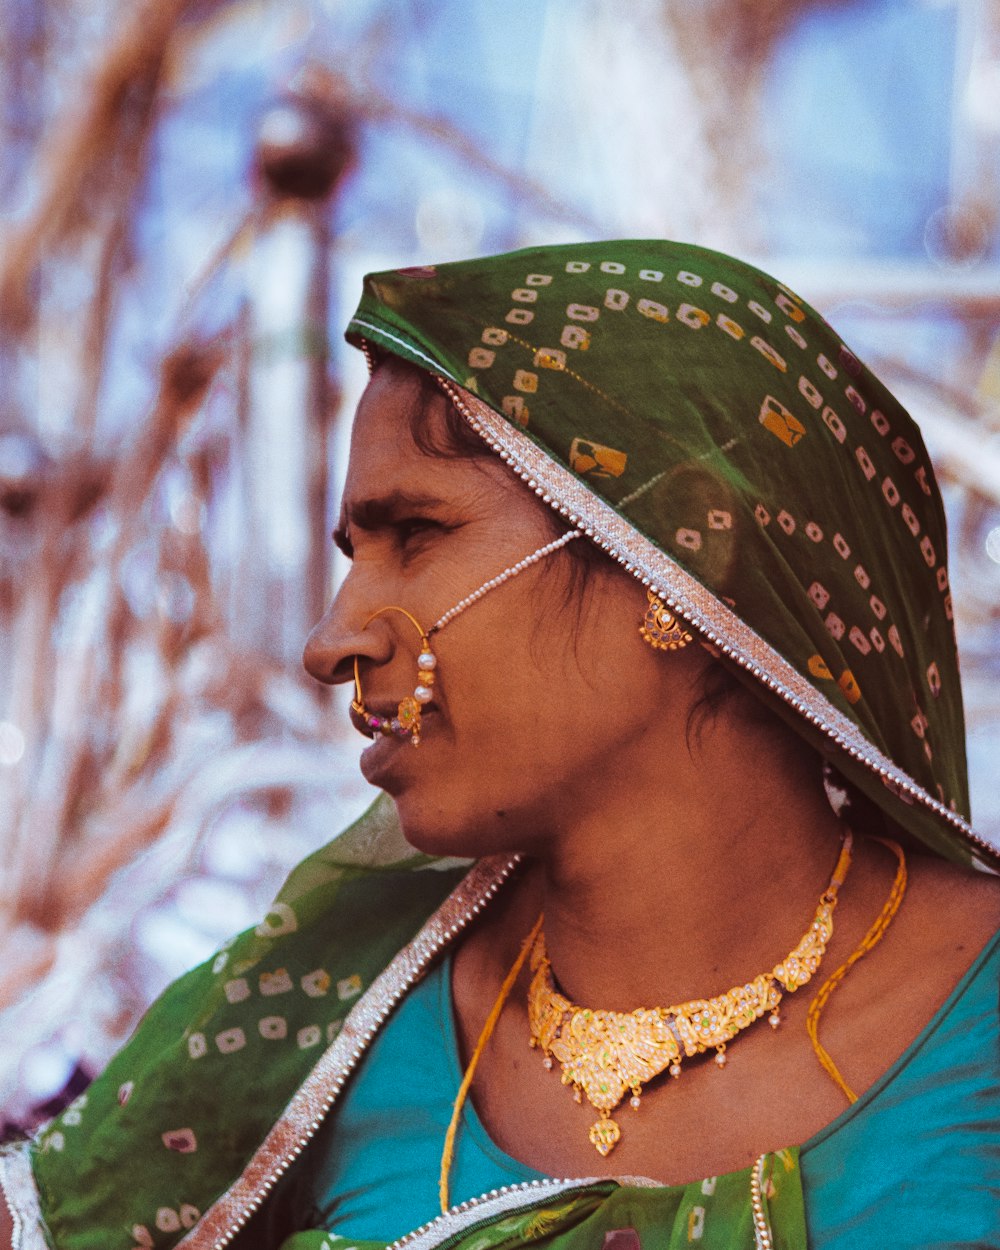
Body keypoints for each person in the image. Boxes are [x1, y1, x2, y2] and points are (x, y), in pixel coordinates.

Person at [2, 241, 997, 1250]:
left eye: (415, 533)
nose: (331, 640)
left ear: (678, 556)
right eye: (356, 553)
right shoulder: (309, 1014)